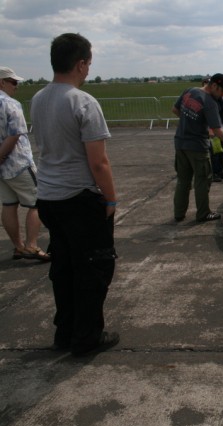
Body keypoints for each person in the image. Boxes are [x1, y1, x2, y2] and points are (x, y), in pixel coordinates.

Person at [30, 33, 119, 355]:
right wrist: (110, 199)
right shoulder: (82, 102)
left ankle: (64, 331)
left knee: (64, 267)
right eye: (89, 64)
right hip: (79, 197)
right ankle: (87, 338)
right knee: (94, 267)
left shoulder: (38, 98)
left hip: (48, 196)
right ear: (80, 64)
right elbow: (98, 162)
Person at [172, 73, 223, 222]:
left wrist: (190, 122)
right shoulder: (210, 102)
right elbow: (217, 130)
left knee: (183, 180)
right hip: (198, 146)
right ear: (214, 86)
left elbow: (176, 110)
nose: (222, 95)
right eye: (222, 91)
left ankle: (179, 213)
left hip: (180, 143)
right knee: (203, 180)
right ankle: (203, 213)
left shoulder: (189, 91)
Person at [0, 67, 50, 261]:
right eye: (13, 82)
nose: (16, 86)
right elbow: (15, 134)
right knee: (36, 203)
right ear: (2, 82)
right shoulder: (10, 104)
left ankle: (18, 246)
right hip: (17, 163)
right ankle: (31, 245)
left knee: (9, 204)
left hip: (2, 170)